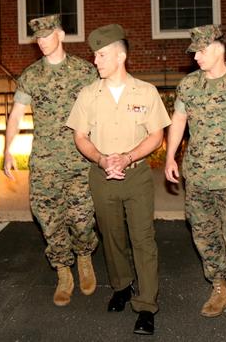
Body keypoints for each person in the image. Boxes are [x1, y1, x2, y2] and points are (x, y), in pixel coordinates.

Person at [164, 24, 226, 340]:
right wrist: (170, 157)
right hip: (197, 178)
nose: (195, 56)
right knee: (205, 237)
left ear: (218, 49)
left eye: (200, 50)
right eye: (194, 51)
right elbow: (179, 121)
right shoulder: (189, 86)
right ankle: (220, 288)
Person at [67, 24, 171, 335]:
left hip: (136, 176)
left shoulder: (146, 92)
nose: (95, 60)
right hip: (101, 176)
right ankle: (122, 287)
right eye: (95, 55)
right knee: (111, 238)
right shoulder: (88, 94)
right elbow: (80, 136)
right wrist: (101, 158)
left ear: (120, 56)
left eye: (101, 55)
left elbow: (157, 136)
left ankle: (146, 305)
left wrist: (126, 157)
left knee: (143, 239)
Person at [3, 14, 99, 307]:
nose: (42, 42)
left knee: (82, 219)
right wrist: (7, 150)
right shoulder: (31, 75)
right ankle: (63, 272)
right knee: (48, 219)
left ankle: (84, 258)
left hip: (80, 160)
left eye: (47, 36)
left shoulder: (85, 71)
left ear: (61, 35)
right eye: (38, 38)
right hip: (44, 162)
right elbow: (17, 115)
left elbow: (102, 110)